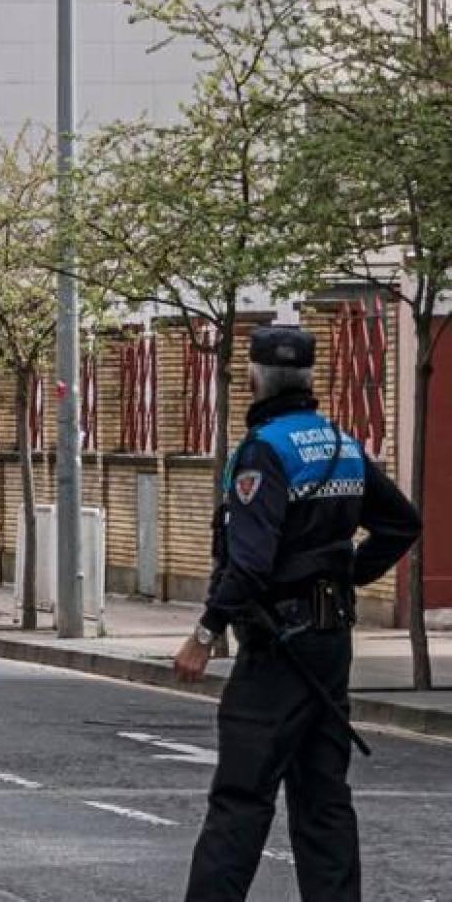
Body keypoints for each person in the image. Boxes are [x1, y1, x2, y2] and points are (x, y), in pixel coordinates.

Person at [175, 326, 421, 901]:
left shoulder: (265, 451)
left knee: (240, 797)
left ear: (256, 378)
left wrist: (205, 632)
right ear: (310, 380)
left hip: (277, 649)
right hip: (330, 645)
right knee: (323, 797)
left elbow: (250, 563)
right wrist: (346, 577)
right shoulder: (341, 444)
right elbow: (402, 522)